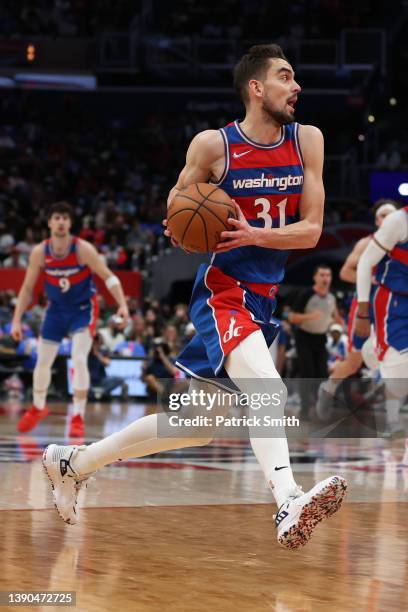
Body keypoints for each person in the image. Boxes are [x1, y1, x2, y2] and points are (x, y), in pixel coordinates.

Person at [43, 45, 347, 549]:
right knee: (267, 391)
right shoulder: (214, 146)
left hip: (263, 297)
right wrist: (182, 225)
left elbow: (311, 230)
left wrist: (254, 236)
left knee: (194, 426)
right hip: (223, 292)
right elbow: (178, 206)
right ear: (256, 87)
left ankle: (73, 463)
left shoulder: (307, 140)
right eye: (285, 77)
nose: (296, 88)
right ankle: (288, 499)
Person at [11, 201, 129, 437]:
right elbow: (27, 288)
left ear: (70, 223)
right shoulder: (40, 252)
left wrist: (123, 305)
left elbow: (109, 277)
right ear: (49, 222)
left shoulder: (82, 249)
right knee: (43, 361)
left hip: (83, 309)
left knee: (79, 358)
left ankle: (77, 415)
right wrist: (16, 320)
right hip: (56, 310)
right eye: (57, 217)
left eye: (65, 217)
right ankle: (38, 407)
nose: (61, 221)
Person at [316, 200, 397, 418]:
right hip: (365, 306)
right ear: (377, 220)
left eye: (392, 214)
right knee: (353, 363)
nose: (387, 219)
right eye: (383, 215)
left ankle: (392, 418)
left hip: (393, 308)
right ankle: (328, 388)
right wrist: (375, 280)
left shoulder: (403, 246)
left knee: (394, 359)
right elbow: (345, 273)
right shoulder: (366, 244)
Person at [356, 206, 408, 434]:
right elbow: (364, 263)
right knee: (395, 364)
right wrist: (362, 312)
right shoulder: (398, 221)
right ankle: (392, 419)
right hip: (393, 299)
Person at [288, 264, 343, 419]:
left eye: (328, 275)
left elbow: (335, 316)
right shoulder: (306, 294)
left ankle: (321, 407)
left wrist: (338, 322)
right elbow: (292, 317)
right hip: (304, 337)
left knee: (322, 374)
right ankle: (304, 409)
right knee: (308, 373)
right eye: (322, 275)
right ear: (315, 277)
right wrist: (309, 317)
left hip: (321, 338)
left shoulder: (332, 297)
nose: (325, 278)